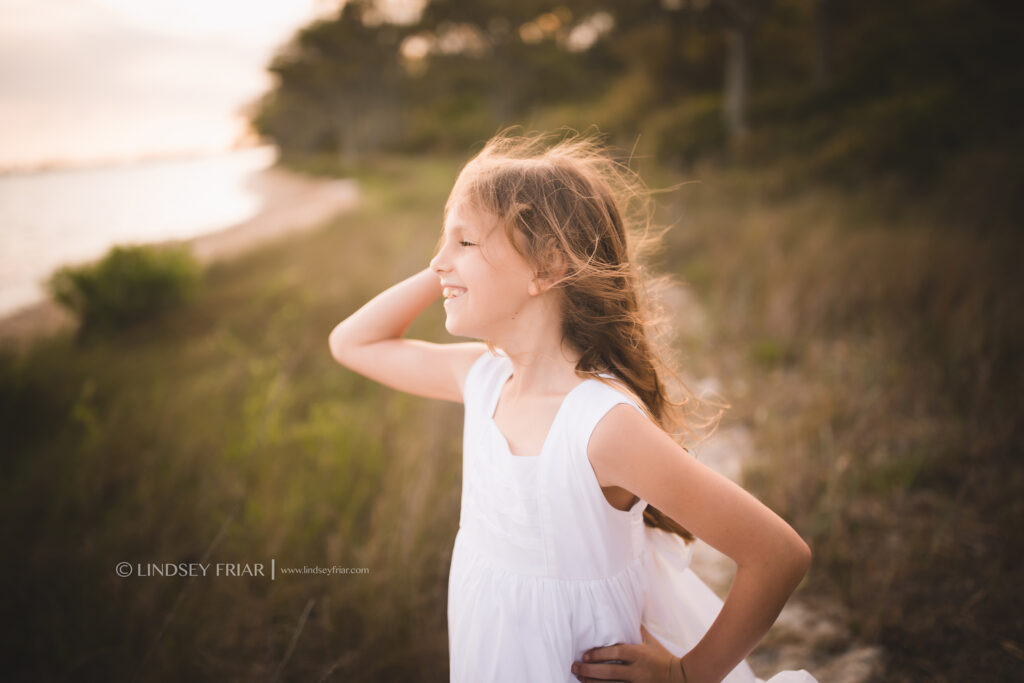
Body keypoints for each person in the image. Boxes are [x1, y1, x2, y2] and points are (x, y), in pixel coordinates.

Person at [328, 129, 817, 683]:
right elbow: (352, 344)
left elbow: (779, 555)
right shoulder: (483, 379)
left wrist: (687, 675)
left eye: (464, 243)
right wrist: (449, 257)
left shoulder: (601, 426)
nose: (439, 260)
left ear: (547, 268)